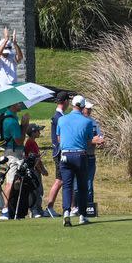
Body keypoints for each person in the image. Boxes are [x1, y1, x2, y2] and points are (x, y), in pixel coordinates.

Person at [57, 95, 103, 227]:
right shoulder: (87, 122)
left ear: (72, 104)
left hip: (65, 155)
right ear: (82, 107)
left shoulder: (62, 120)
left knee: (67, 186)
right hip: (80, 155)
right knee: (82, 186)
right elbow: (89, 141)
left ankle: (66, 213)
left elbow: (59, 139)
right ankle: (82, 215)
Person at [0, 102, 30, 220]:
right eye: (18, 103)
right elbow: (19, 141)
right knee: (10, 181)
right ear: (12, 105)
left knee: (15, 181)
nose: (20, 104)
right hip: (14, 154)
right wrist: (25, 125)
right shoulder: (11, 121)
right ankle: (5, 209)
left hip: (11, 152)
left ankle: (12, 208)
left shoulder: (10, 117)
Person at [43, 91, 69, 218]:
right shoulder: (60, 117)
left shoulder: (59, 116)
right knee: (59, 180)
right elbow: (61, 137)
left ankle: (71, 206)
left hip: (58, 151)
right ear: (65, 102)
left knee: (63, 180)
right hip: (59, 152)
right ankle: (49, 207)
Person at [24, 124, 48, 218]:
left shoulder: (33, 142)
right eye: (38, 131)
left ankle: (38, 209)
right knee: (35, 191)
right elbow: (34, 160)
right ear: (33, 133)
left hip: (36, 170)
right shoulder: (30, 143)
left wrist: (43, 169)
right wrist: (41, 170)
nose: (39, 132)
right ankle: (34, 210)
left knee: (40, 190)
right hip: (33, 170)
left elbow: (38, 158)